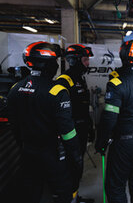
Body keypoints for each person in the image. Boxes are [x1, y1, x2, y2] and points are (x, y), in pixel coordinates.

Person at [7, 41, 82, 203]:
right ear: (47, 63)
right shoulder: (57, 91)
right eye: (54, 62)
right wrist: (76, 155)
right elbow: (67, 131)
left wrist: (23, 145)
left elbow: (13, 125)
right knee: (63, 193)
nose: (56, 65)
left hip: (27, 152)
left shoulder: (15, 89)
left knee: (32, 191)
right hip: (52, 154)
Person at [95, 40, 133, 203]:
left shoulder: (116, 83)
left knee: (115, 186)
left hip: (124, 143)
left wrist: (101, 142)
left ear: (122, 57)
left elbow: (109, 118)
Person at [55, 44, 95, 203]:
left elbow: (82, 107)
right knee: (70, 169)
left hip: (81, 129)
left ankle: (74, 197)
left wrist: (90, 125)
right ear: (75, 60)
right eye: (85, 60)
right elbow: (60, 113)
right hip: (70, 135)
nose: (88, 64)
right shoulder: (64, 80)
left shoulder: (79, 78)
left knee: (77, 168)